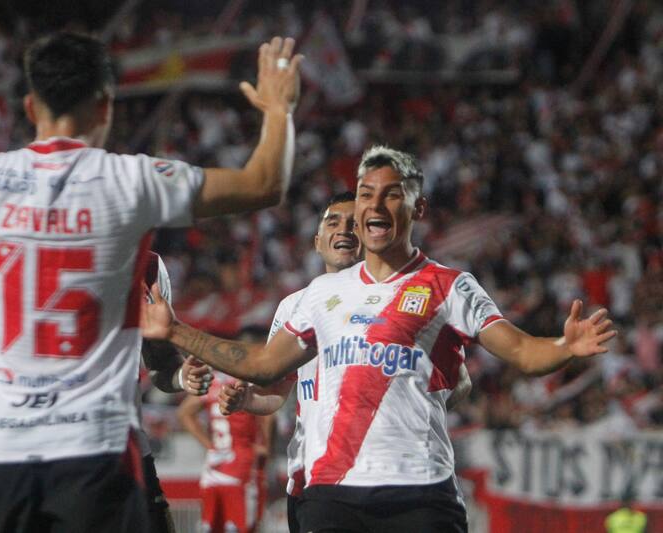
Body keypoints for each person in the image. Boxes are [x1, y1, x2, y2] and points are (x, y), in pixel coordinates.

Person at [0, 16, 301, 533]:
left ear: (30, 107)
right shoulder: (132, 182)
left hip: (1, 459)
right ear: (106, 106)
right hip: (95, 457)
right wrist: (278, 109)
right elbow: (264, 183)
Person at [142, 145, 617, 532]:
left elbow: (518, 350)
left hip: (419, 487)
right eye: (366, 194)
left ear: (418, 207)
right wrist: (177, 332)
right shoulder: (314, 297)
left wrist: (563, 347)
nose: (371, 207)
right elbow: (269, 368)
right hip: (327, 491)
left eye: (391, 195)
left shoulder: (449, 286)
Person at [0, 252, 212, 533]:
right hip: (27, 457)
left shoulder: (145, 265)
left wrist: (182, 376)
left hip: (117, 451)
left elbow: (161, 364)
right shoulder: (9, 259)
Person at [218, 191, 471, 532]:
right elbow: (278, 392)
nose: (344, 230)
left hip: (394, 477)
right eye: (333, 222)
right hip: (314, 478)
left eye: (355, 223)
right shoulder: (294, 306)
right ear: (318, 241)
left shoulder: (405, 296)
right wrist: (247, 399)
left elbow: (460, 381)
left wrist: (403, 408)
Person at [178, 368, 274, 533]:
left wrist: (209, 445)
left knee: (212, 526)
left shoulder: (212, 382)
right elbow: (268, 413)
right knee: (244, 526)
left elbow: (184, 413)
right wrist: (266, 445)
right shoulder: (244, 381)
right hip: (241, 463)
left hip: (214, 466)